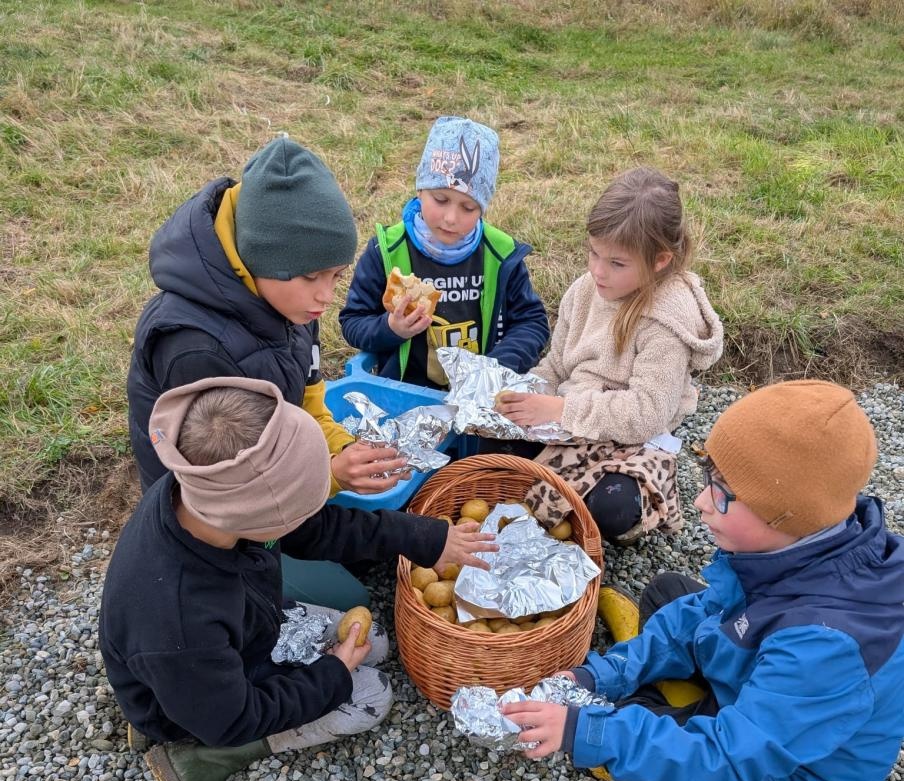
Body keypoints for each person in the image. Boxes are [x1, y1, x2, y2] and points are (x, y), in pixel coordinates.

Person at [100, 377, 496, 781]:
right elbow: (235, 715)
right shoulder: (178, 621)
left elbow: (320, 528)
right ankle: (197, 758)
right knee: (370, 696)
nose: (313, 511)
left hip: (243, 630)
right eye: (303, 504)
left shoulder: (207, 493)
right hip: (212, 704)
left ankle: (192, 700)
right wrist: (334, 673)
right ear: (265, 512)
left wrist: (429, 541)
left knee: (378, 643)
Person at [502, 380, 904, 781]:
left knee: (611, 731)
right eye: (708, 476)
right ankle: (667, 693)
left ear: (785, 513)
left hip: (784, 778)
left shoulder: (827, 644)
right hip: (765, 679)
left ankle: (663, 714)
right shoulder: (797, 546)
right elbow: (708, 612)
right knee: (669, 592)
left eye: (724, 493)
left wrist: (581, 730)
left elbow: (730, 761)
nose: (699, 502)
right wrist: (600, 674)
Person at [126, 134, 407, 609]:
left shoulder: (290, 306)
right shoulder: (195, 349)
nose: (325, 297)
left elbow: (309, 396)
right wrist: (333, 475)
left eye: (335, 276)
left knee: (363, 560)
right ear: (259, 259)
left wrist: (343, 448)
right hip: (215, 522)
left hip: (269, 472)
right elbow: (241, 496)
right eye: (310, 278)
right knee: (349, 602)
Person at [496, 166, 723, 547]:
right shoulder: (586, 291)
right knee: (493, 445)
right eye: (593, 253)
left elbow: (646, 412)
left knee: (612, 508)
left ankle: (616, 515)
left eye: (616, 263)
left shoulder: (666, 321)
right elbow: (558, 364)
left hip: (631, 437)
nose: (598, 271)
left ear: (660, 260)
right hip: (570, 416)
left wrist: (558, 410)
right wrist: (529, 394)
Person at [338, 115, 549, 389]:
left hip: (482, 394)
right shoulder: (387, 249)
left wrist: (494, 367)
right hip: (407, 392)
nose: (451, 218)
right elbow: (353, 322)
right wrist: (391, 329)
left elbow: (532, 323)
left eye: (468, 207)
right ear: (420, 190)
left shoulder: (501, 255)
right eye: (440, 200)